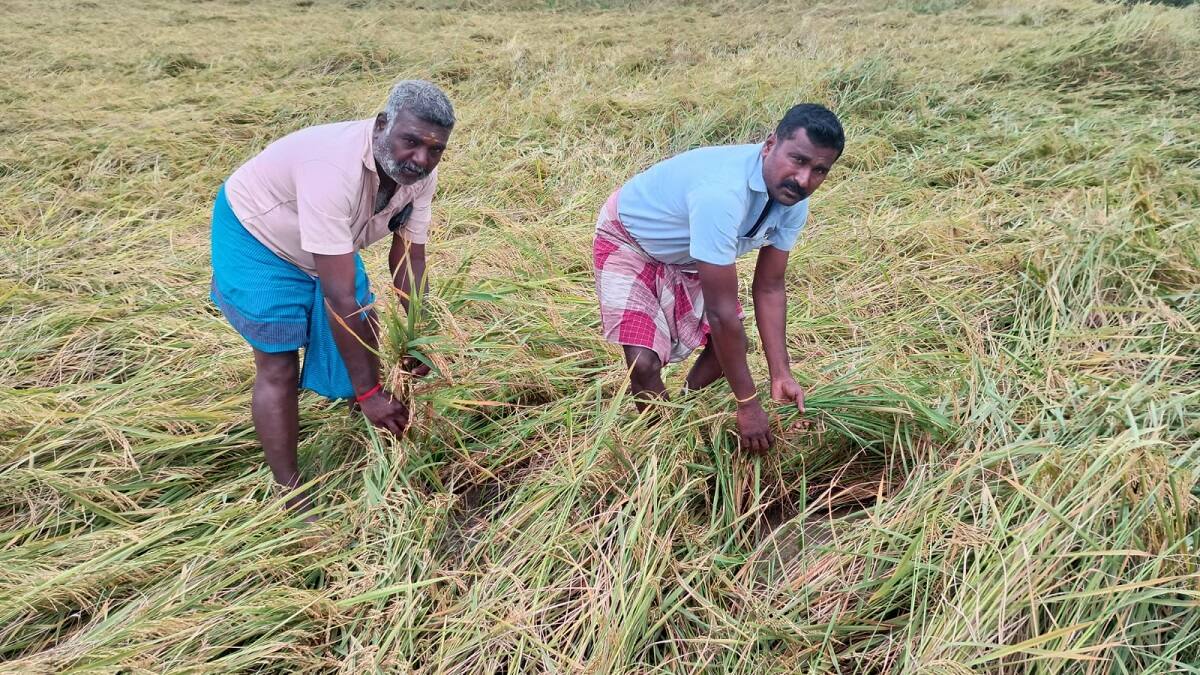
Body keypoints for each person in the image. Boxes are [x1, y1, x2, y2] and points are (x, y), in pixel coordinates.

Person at [209, 79, 453, 508]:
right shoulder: (332, 168)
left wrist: (421, 333)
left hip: (327, 239)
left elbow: (409, 259)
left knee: (367, 326)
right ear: (382, 126)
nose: (420, 159)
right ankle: (291, 493)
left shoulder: (418, 176)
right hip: (258, 234)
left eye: (434, 150)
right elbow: (340, 300)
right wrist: (369, 392)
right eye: (410, 142)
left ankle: (364, 412)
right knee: (278, 361)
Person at [593, 104, 845, 452]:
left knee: (730, 346)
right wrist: (748, 403)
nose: (804, 180)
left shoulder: (793, 201)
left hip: (690, 254)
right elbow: (722, 312)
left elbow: (770, 287)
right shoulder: (722, 193)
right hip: (631, 243)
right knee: (644, 363)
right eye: (798, 160)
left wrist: (781, 373)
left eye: (819, 170)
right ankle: (661, 443)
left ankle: (684, 409)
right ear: (770, 145)